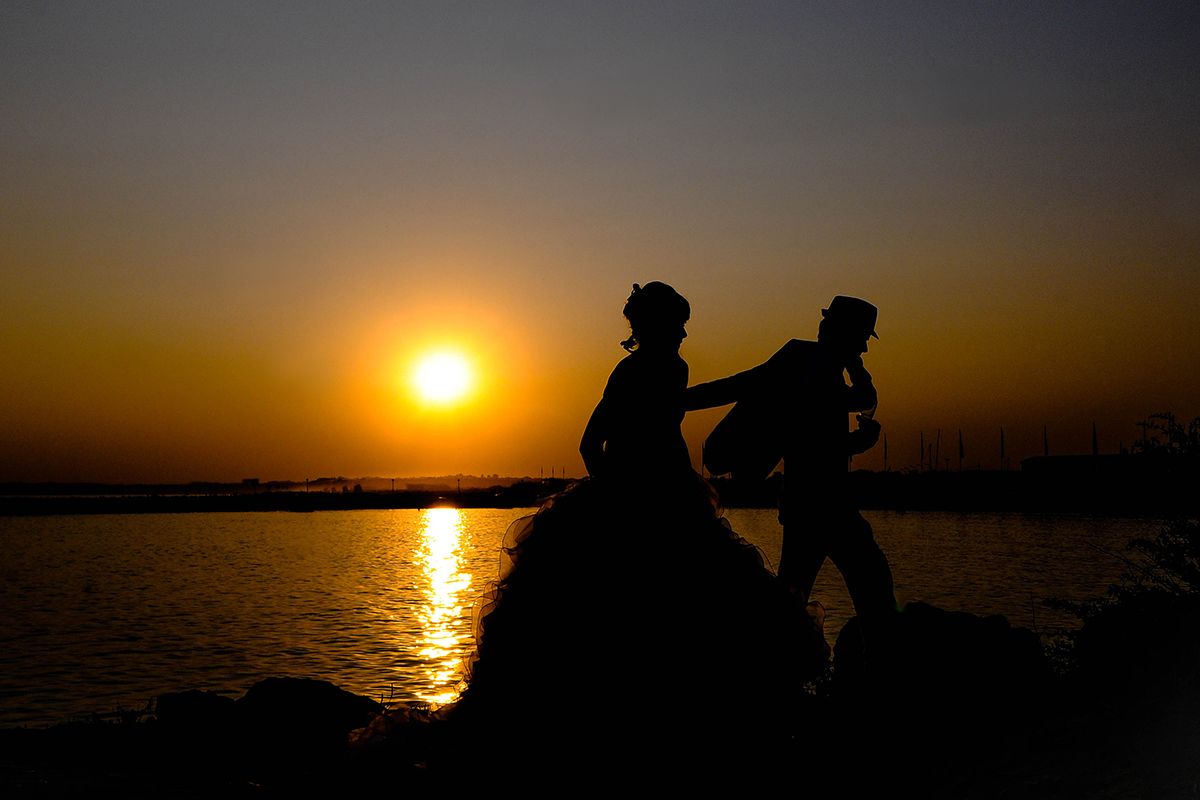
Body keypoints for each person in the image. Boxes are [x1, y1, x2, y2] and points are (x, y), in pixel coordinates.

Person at [442, 282, 828, 783]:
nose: (685, 333)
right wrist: (624, 492)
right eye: (678, 323)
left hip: (648, 493)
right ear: (654, 326)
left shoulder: (639, 370)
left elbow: (599, 441)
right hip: (657, 498)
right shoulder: (658, 368)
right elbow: (629, 429)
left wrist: (613, 491)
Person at [685, 295, 898, 626]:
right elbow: (817, 436)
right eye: (861, 340)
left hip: (808, 504)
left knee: (796, 598)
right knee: (869, 587)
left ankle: (786, 665)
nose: (864, 350)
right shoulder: (814, 370)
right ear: (843, 334)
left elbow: (739, 385)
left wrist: (680, 400)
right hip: (821, 504)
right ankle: (873, 665)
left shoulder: (806, 361)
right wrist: (858, 441)